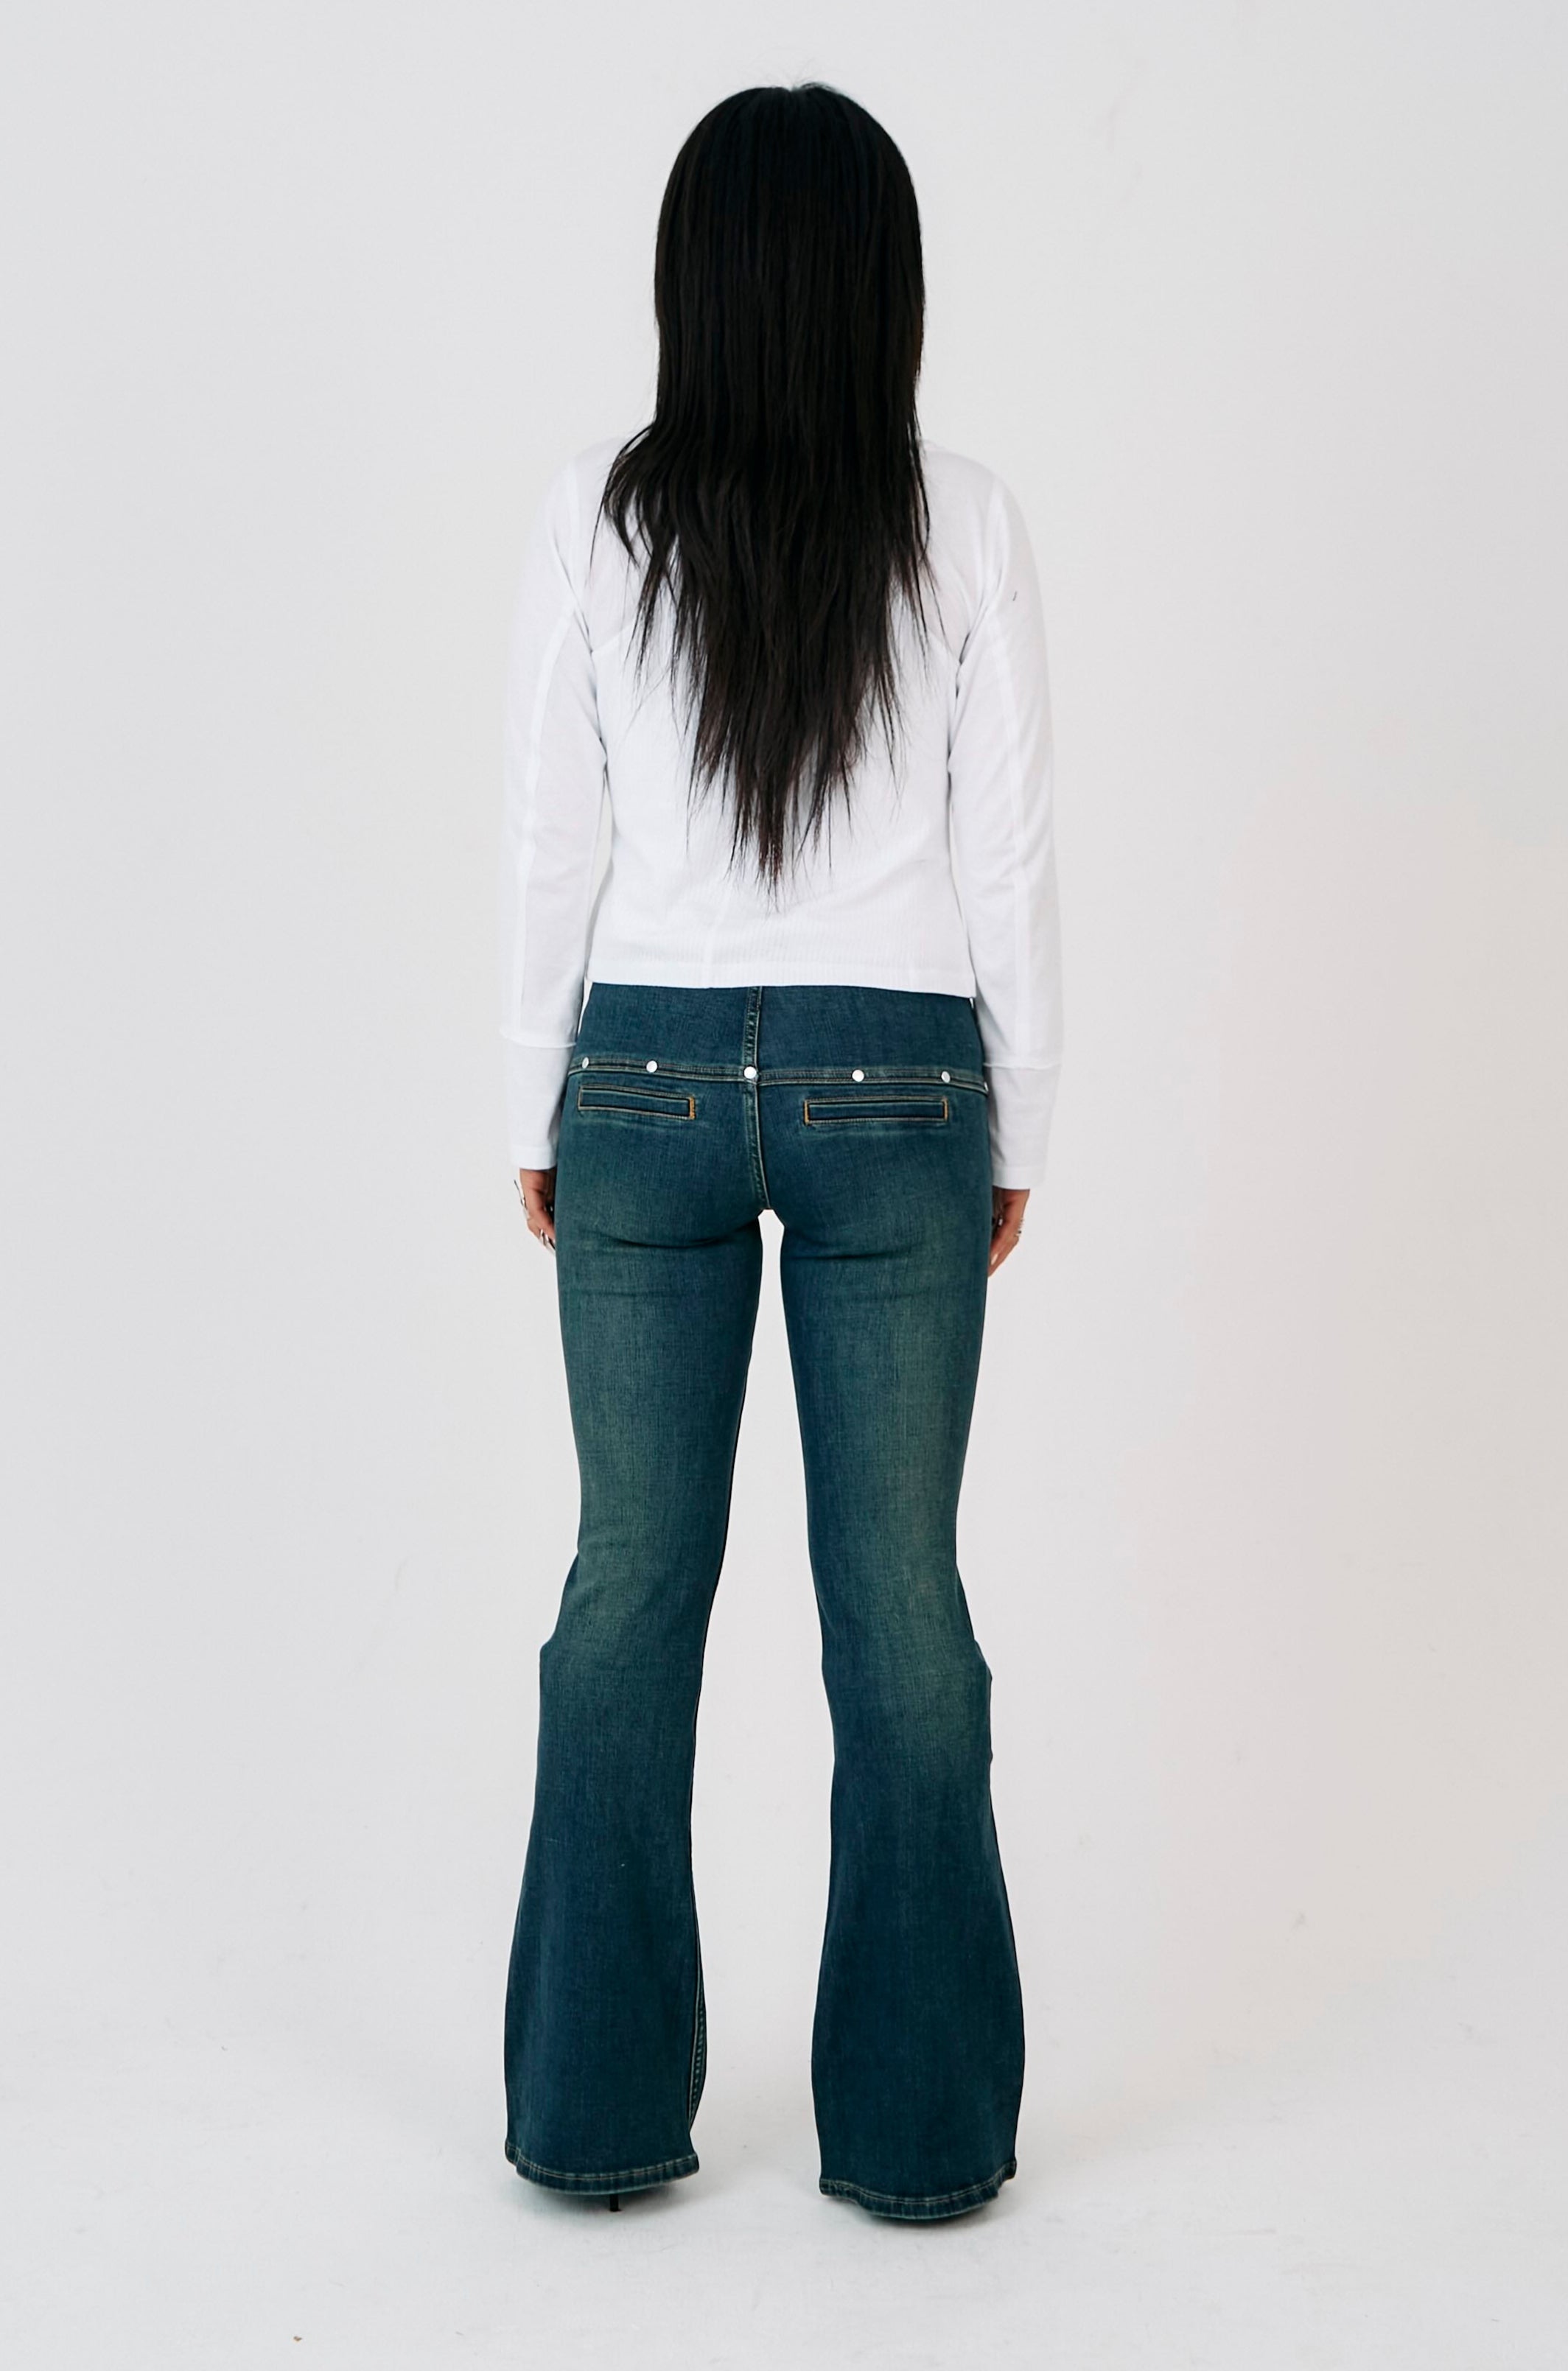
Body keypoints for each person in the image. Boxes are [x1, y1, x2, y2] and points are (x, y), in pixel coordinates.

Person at [497, 82, 1063, 2224]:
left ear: (695, 285)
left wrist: (528, 1098)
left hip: (637, 1080)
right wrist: (1024, 1111)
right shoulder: (967, 523)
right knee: (898, 1602)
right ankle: (920, 2138)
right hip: (901, 1086)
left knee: (627, 1589)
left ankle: (589, 2114)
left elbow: (548, 840)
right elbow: (1008, 854)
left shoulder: (598, 517)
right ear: (885, 288)